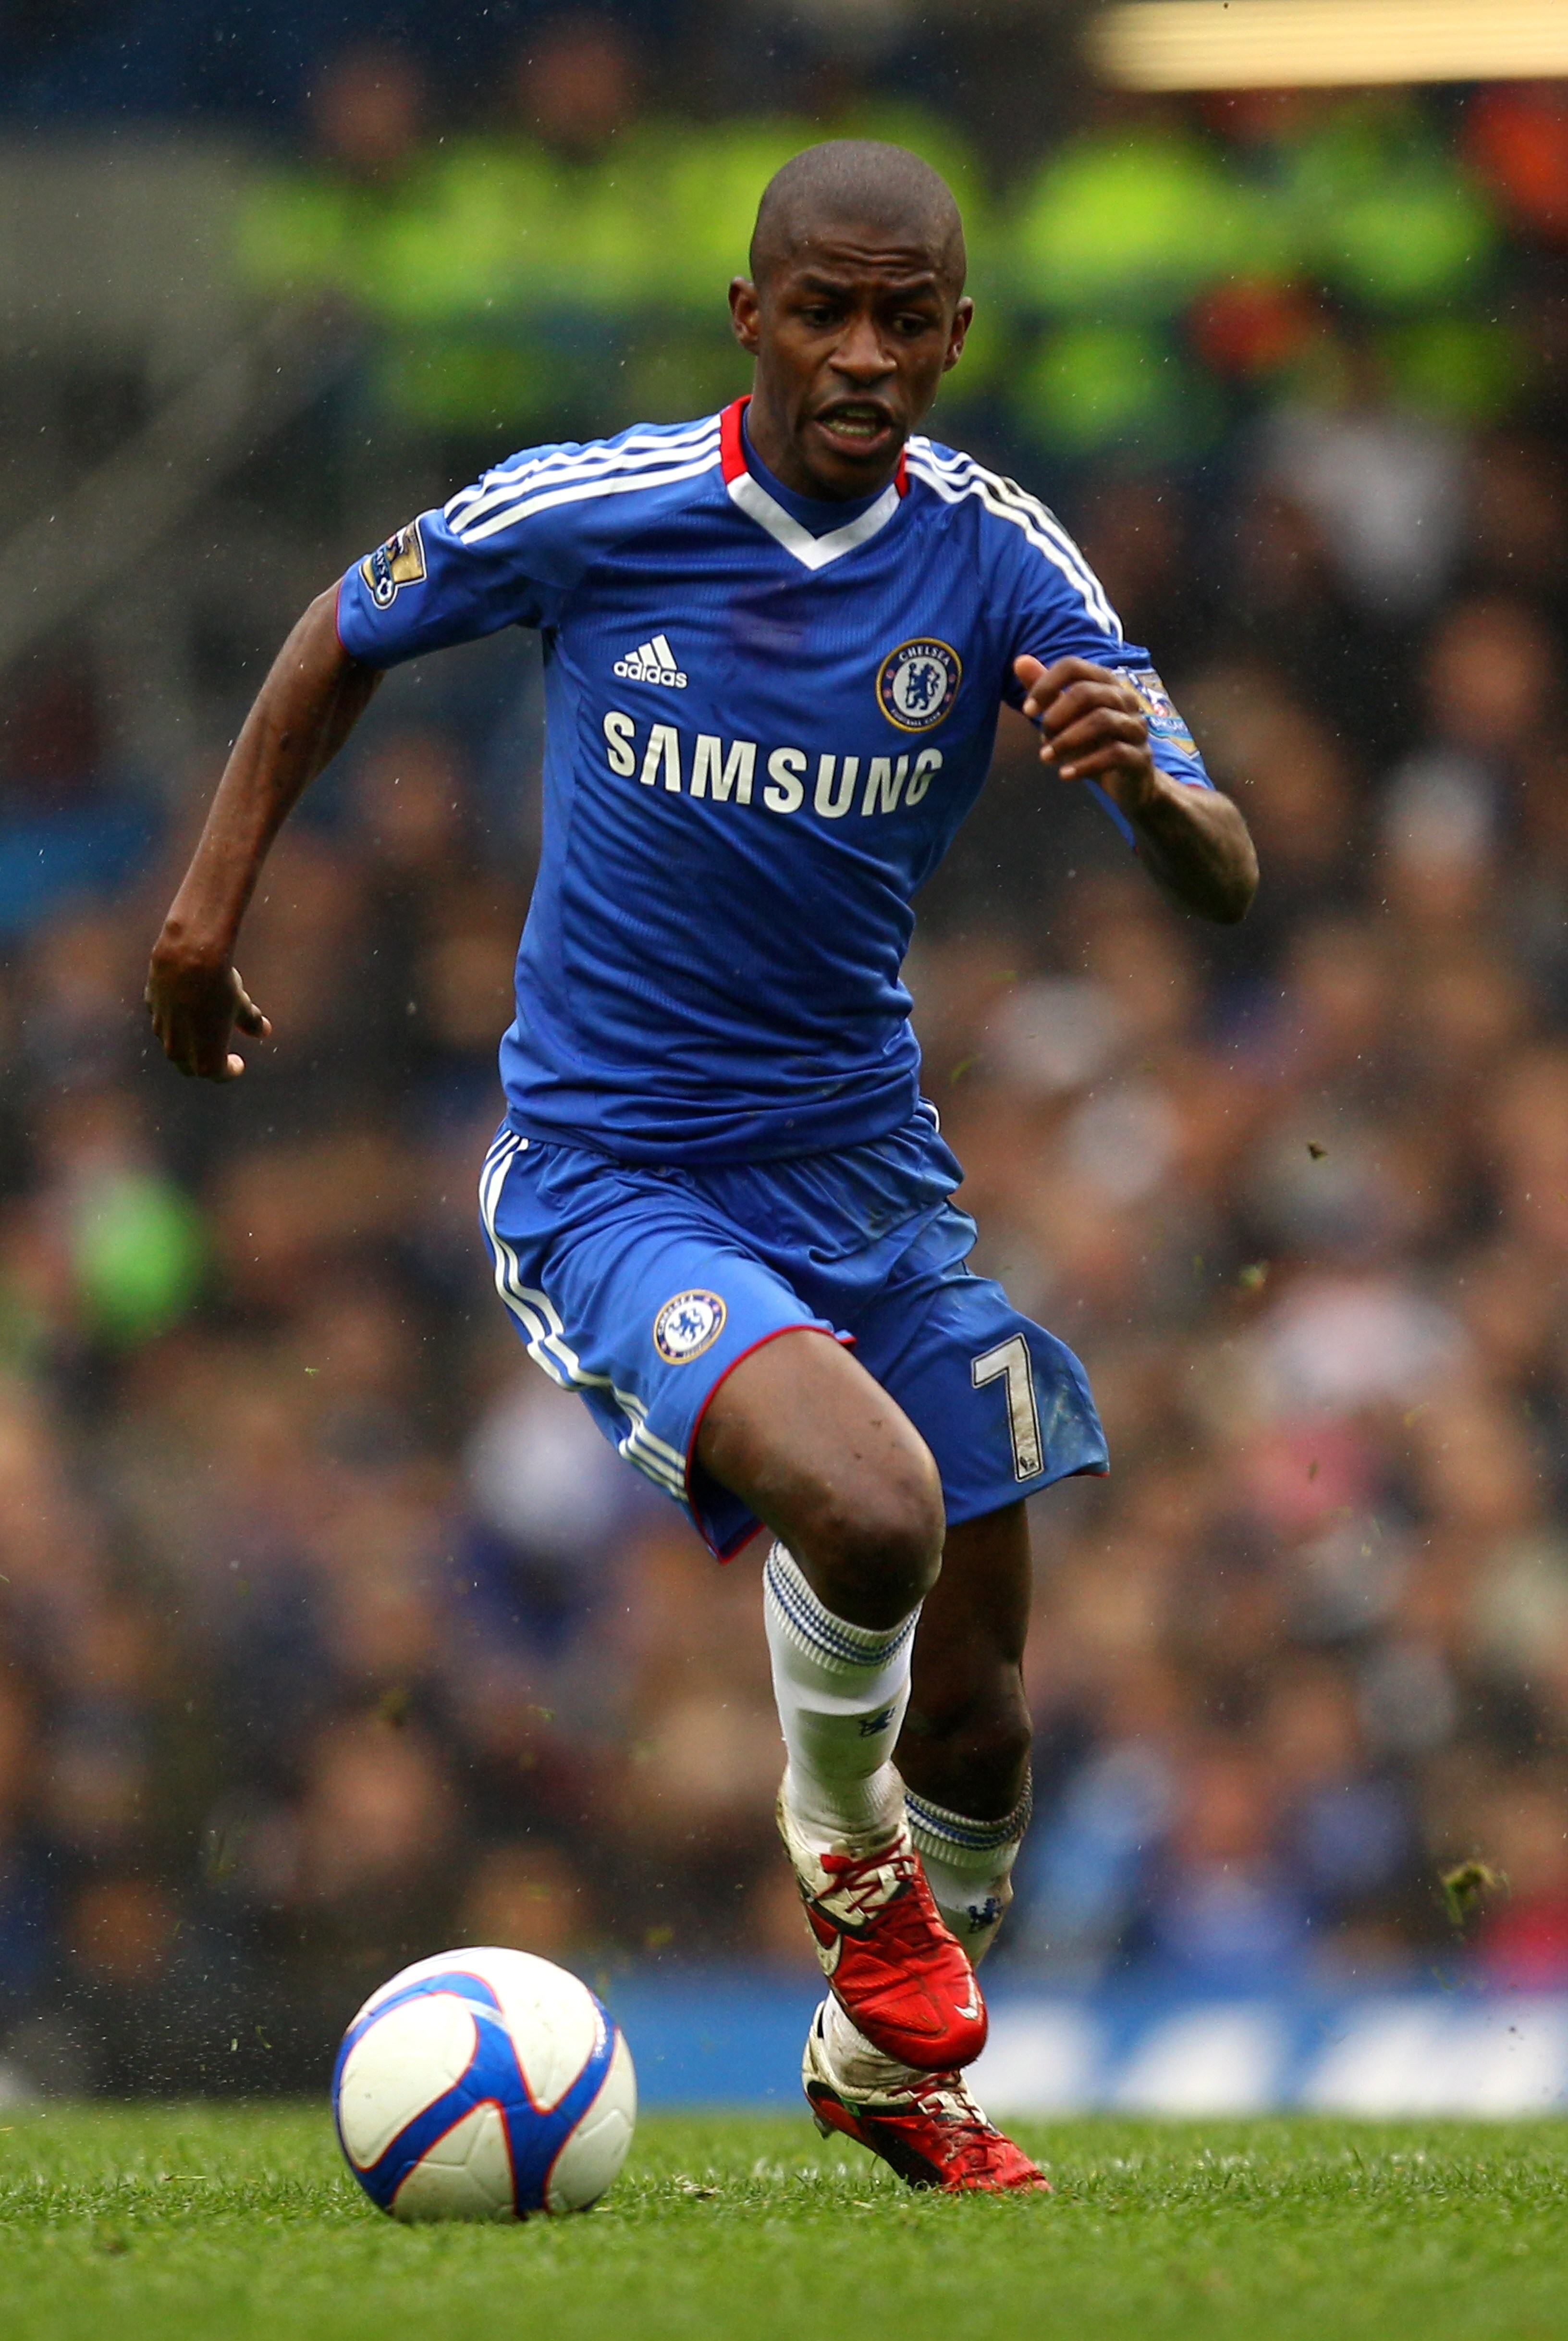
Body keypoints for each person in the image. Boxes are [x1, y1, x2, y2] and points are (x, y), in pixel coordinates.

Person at [146, 140, 1257, 2192]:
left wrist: (1148, 795)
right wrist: (209, 910)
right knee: (877, 1509)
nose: (861, 354)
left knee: (992, 1725)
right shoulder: (604, 512)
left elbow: (1225, 867)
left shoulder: (1008, 563)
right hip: (614, 1175)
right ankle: (849, 1873)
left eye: (902, 318)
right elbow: (340, 629)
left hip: (871, 1180)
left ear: (955, 334)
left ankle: (885, 2067)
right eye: (821, 310)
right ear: (749, 316)